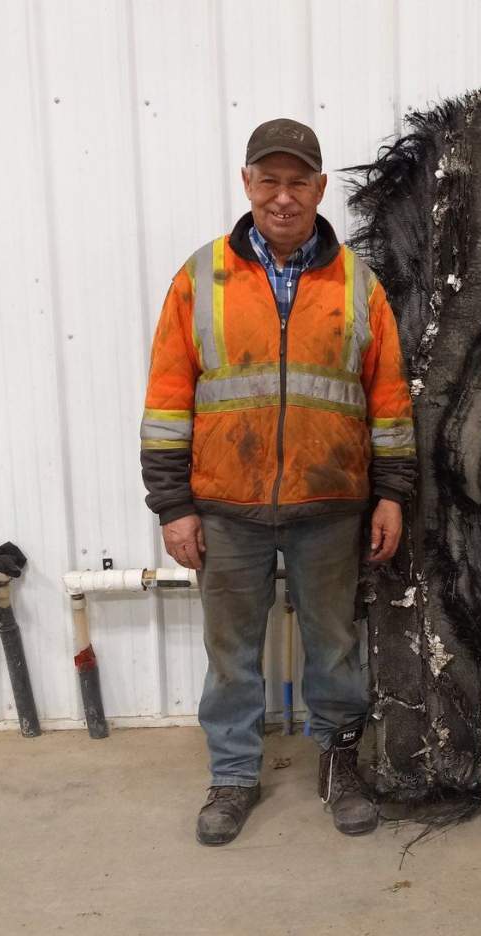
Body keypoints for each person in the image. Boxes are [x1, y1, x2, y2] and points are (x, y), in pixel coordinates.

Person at [140, 118, 415, 845]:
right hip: (224, 509)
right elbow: (168, 399)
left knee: (335, 647)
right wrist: (173, 505)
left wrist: (391, 493)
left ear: (321, 188)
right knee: (231, 656)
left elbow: (389, 401)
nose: (284, 197)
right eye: (270, 180)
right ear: (246, 183)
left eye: (299, 182)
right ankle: (232, 776)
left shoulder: (359, 283)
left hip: (330, 506)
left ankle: (338, 763)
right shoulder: (200, 279)